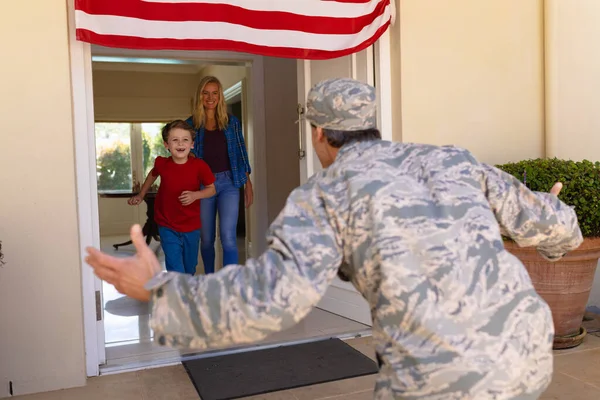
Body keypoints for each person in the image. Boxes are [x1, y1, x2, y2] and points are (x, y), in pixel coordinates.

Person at [88, 78, 582, 399]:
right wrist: (556, 220)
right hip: (525, 351)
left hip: (436, 377)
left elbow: (270, 300)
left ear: (319, 134)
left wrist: (161, 291)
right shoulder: (452, 159)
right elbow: (556, 225)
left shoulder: (324, 194)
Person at [128, 120, 216, 275]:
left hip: (191, 225)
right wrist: (141, 194)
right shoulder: (161, 163)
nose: (180, 143)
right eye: (175, 140)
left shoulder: (200, 166)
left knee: (189, 267)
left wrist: (196, 195)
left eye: (185, 140)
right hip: (167, 223)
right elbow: (152, 175)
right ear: (167, 144)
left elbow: (211, 189)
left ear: (192, 144)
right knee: (175, 266)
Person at [186, 75, 253, 274]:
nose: (210, 97)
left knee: (228, 238)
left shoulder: (231, 123)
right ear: (200, 96)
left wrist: (247, 183)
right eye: (206, 93)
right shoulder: (191, 124)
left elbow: (241, 153)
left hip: (229, 183)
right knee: (206, 239)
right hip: (203, 185)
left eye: (215, 93)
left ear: (220, 96)